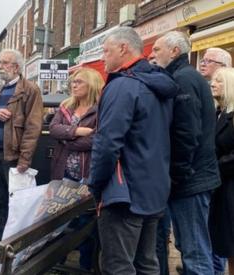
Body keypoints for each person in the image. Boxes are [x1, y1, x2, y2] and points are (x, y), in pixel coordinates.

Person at [88, 27, 177, 274]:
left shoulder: (122, 87)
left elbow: (106, 144)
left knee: (118, 266)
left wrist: (95, 184)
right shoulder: (159, 86)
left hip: (123, 193)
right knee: (147, 263)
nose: (102, 57)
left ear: (123, 49)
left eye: (106, 51)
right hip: (155, 190)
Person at [150, 31, 221, 275]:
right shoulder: (184, 76)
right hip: (193, 177)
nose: (152, 54)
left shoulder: (183, 79)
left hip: (191, 181)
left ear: (174, 51)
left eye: (157, 49)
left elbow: (186, 132)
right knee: (192, 247)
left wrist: (177, 174)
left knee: (195, 251)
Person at [0, 49, 43, 246]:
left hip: (13, 157)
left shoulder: (30, 90)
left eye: (5, 63)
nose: (0, 66)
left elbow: (33, 127)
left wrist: (25, 158)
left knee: (17, 206)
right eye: (0, 62)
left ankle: (14, 247)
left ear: (16, 67)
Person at [49, 67, 103, 271]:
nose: (74, 85)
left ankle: (85, 265)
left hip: (85, 174)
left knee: (85, 223)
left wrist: (67, 140)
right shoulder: (65, 106)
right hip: (63, 172)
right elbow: (54, 129)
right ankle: (59, 260)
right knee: (61, 218)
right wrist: (76, 131)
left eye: (79, 81)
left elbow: (97, 139)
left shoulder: (100, 109)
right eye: (73, 81)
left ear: (91, 85)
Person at [209, 67, 234, 275]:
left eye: (219, 80)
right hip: (221, 189)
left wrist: (213, 168)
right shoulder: (218, 113)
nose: (212, 83)